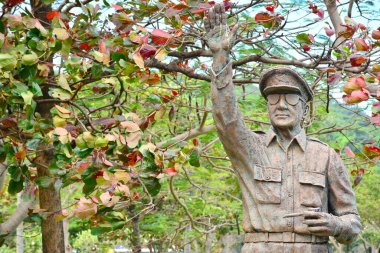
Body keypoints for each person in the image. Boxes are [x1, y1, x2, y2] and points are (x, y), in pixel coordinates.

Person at [204, 4, 361, 252]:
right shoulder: (250, 148)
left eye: (290, 98)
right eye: (273, 98)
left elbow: (352, 224)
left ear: (305, 109)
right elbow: (226, 118)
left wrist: (334, 224)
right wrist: (220, 56)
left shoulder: (326, 156)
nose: (281, 105)